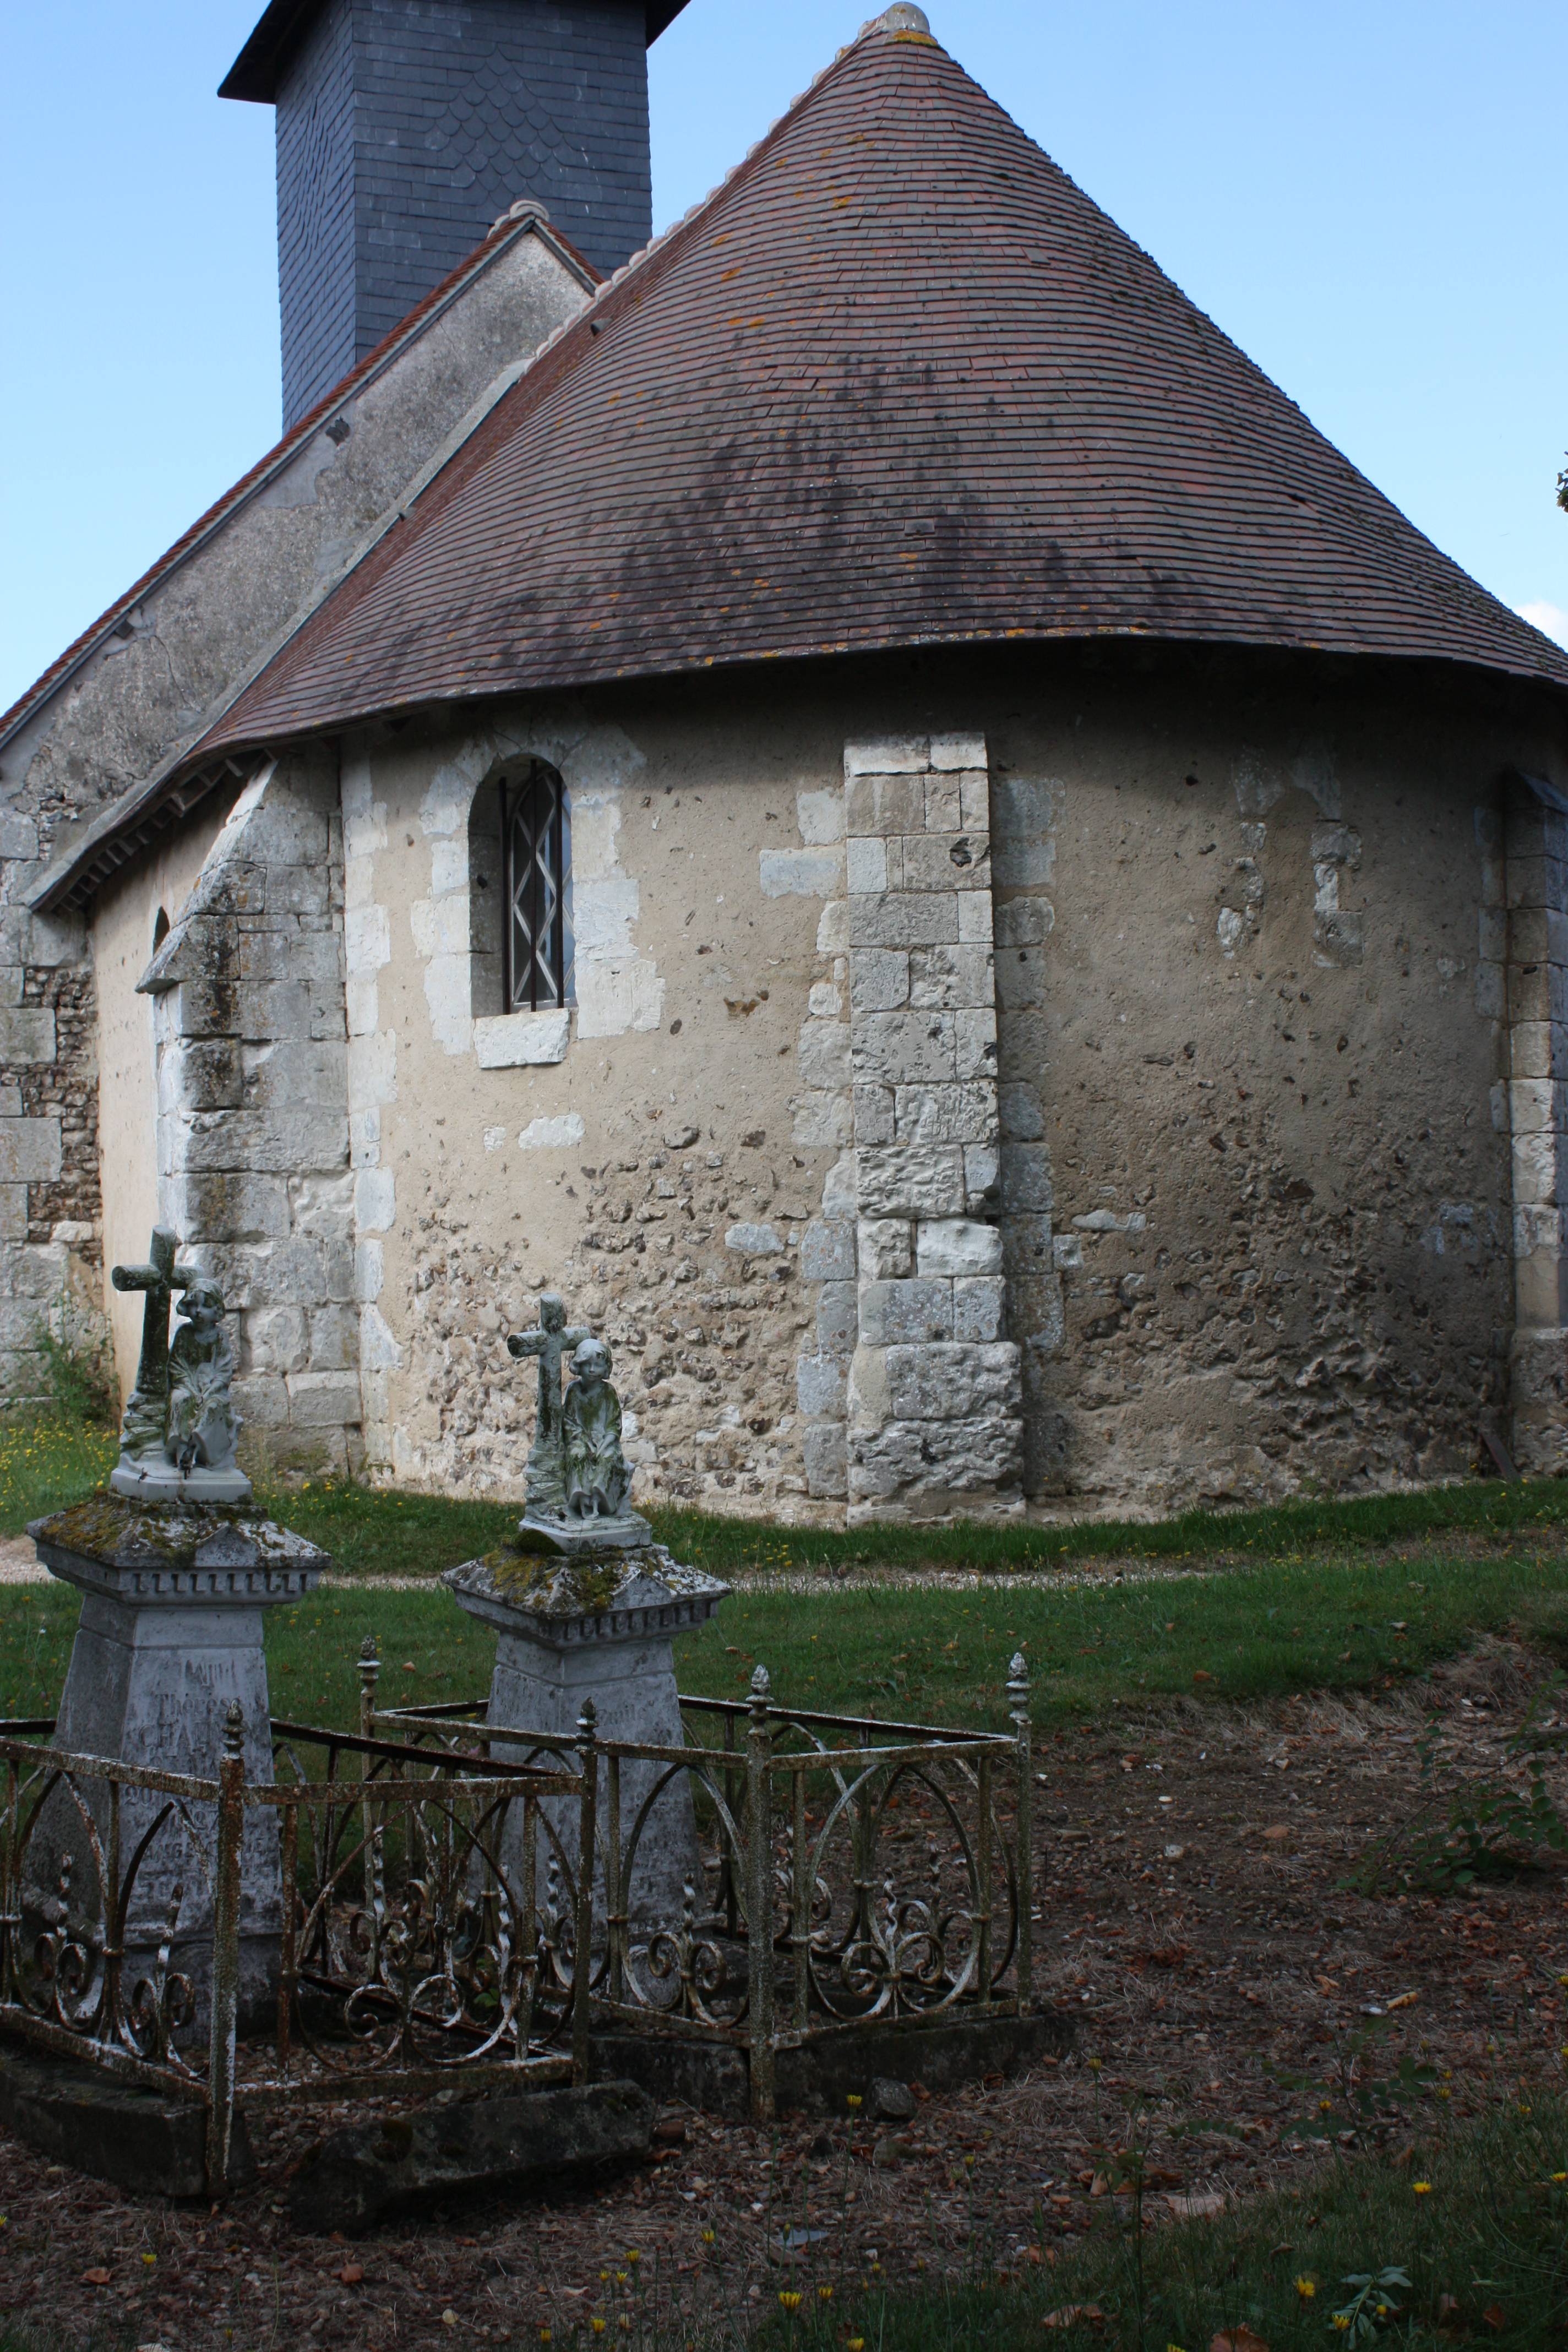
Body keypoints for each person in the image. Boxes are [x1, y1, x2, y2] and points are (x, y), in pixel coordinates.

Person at [165, 1279, 241, 1476]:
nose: (198, 1311)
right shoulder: (184, 1334)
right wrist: (190, 1388)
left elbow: (224, 1371)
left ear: (216, 1310)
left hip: (212, 1390)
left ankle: (196, 1448)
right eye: (194, 1305)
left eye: (205, 1306)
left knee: (213, 1407)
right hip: (187, 1386)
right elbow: (177, 1366)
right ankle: (181, 1448)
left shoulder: (220, 1337)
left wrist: (210, 1391)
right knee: (180, 1400)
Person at [561, 1338, 631, 1519]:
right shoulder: (574, 1390)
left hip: (605, 1440)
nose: (592, 1370)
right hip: (580, 1440)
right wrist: (585, 1442)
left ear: (606, 1368)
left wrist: (605, 1443)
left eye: (598, 1365)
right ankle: (581, 1498)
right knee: (577, 1454)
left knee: (609, 1457)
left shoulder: (608, 1392)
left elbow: (614, 1424)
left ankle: (600, 1499)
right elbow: (569, 1421)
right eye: (587, 1364)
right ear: (579, 1365)